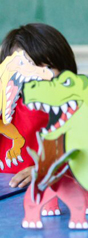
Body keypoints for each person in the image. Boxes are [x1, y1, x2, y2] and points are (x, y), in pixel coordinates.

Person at [3, 23, 78, 214]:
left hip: (52, 199)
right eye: (28, 66)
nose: (39, 75)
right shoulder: (5, 109)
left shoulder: (72, 110)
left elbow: (85, 157)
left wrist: (51, 169)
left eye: (50, 66)